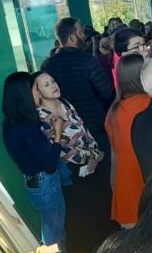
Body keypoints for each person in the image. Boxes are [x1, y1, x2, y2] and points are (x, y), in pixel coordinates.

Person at [32, 71, 115, 253]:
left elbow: (84, 131)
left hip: (94, 165)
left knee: (103, 211)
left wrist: (95, 154)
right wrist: (85, 158)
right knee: (81, 220)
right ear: (38, 93)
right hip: (73, 173)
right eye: (46, 84)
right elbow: (58, 148)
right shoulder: (41, 117)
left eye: (53, 80)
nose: (53, 85)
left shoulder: (66, 104)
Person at [1, 72, 67, 253]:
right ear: (25, 94)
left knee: (51, 231)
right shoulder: (28, 127)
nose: (38, 93)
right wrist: (57, 133)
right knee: (54, 237)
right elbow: (49, 163)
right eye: (36, 88)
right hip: (45, 182)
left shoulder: (9, 125)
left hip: (33, 183)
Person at [41, 17, 116, 165]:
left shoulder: (48, 65)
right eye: (81, 32)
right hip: (95, 125)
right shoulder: (88, 61)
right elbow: (107, 93)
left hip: (65, 129)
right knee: (103, 167)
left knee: (78, 173)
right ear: (72, 37)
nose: (84, 35)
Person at [105, 54, 150, 227]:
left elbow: (114, 154)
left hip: (124, 185)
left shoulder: (114, 111)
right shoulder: (151, 104)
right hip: (148, 184)